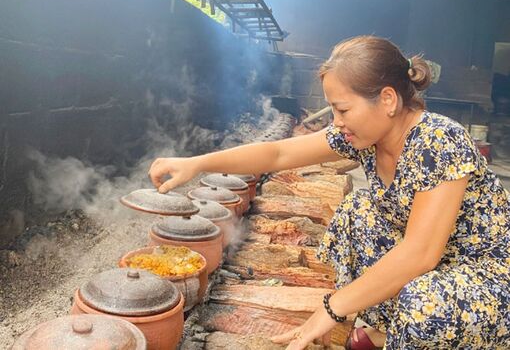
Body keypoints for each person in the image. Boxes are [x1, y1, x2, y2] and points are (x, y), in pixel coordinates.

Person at [148, 36, 510, 349]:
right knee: (359, 211)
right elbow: (279, 153)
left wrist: (333, 307)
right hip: (442, 260)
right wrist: (196, 163)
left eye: (342, 109)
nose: (335, 121)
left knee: (423, 304)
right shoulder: (366, 136)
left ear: (387, 100)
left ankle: (421, 330)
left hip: (488, 273)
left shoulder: (439, 141)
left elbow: (420, 254)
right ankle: (387, 329)